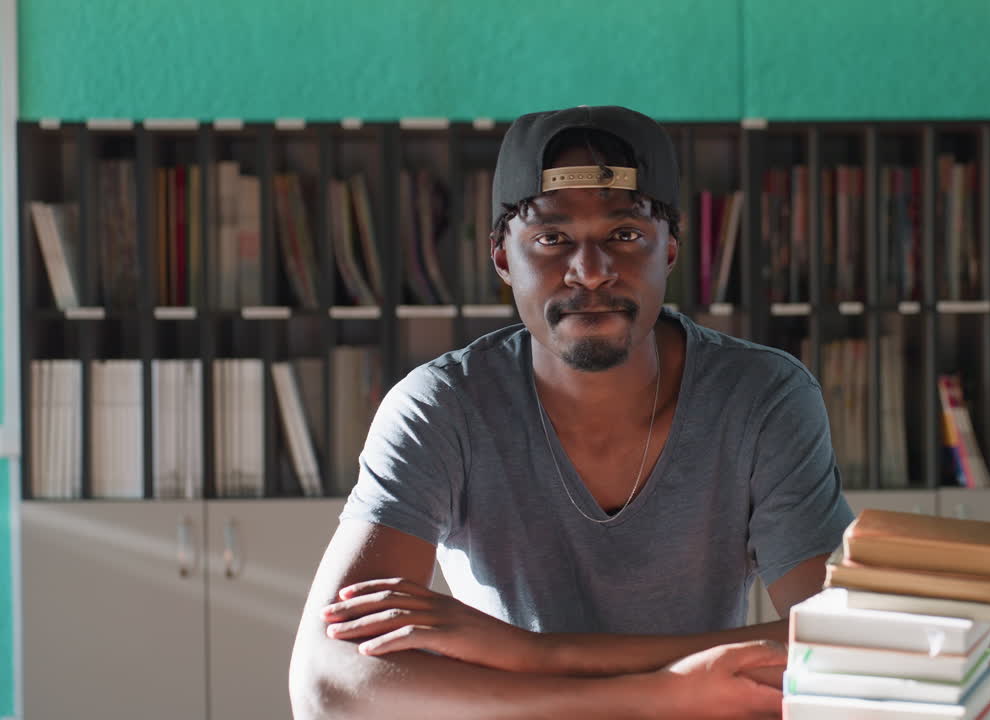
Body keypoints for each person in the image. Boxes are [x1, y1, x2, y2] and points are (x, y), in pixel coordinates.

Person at [289, 105, 853, 719]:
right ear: (503, 258)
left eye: (626, 235)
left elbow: (845, 642)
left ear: (670, 251)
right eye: (551, 239)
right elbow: (327, 684)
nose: (590, 272)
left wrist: (534, 655)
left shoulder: (762, 396)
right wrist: (660, 694)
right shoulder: (440, 407)